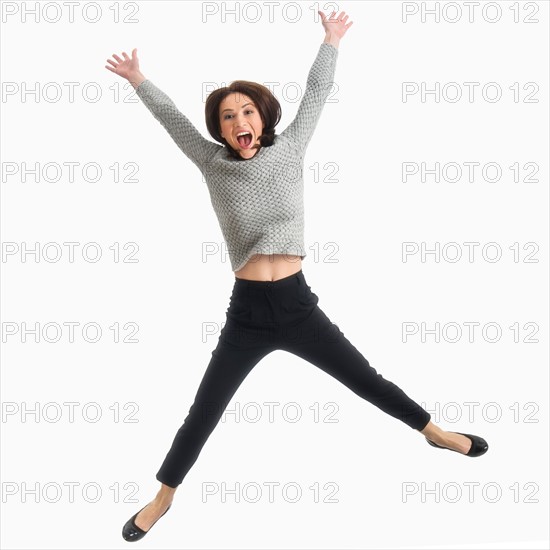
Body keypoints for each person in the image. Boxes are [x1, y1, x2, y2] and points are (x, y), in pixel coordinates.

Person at [105, 9, 488, 542]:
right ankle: (162, 498)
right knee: (204, 411)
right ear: (219, 129)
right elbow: (173, 118)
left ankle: (436, 432)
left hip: (296, 306)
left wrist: (330, 41)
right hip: (246, 314)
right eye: (226, 118)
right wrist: (139, 80)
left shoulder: (290, 148)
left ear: (262, 116)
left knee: (367, 382)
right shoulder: (211, 161)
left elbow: (315, 93)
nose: (238, 124)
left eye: (246, 112)